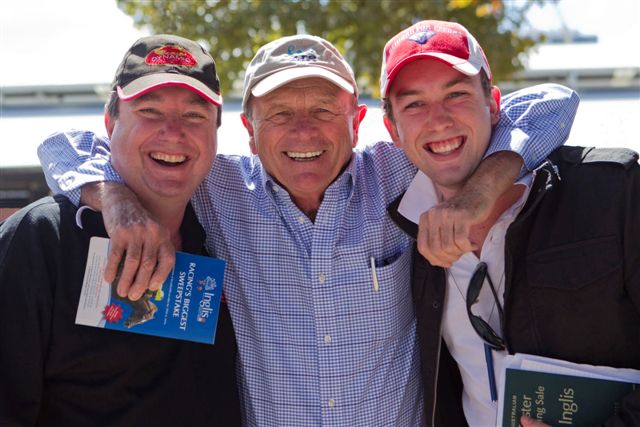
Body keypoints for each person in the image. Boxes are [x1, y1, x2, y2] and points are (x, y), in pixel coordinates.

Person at [37, 34, 578, 425]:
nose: (303, 131)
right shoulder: (217, 187)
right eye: (278, 114)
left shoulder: (399, 172)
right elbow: (65, 146)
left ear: (356, 122)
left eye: (323, 109)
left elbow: (551, 103)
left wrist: (480, 194)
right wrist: (116, 201)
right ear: (249, 131)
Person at [383, 20, 640, 426]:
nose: (439, 120)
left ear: (494, 104)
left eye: (456, 94)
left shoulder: (614, 191)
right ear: (392, 130)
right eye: (414, 104)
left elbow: (554, 97)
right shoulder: (396, 228)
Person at [0, 35, 241, 426]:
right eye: (149, 111)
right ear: (110, 123)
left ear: (216, 130)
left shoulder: (229, 228)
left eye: (195, 116)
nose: (173, 132)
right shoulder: (44, 238)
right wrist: (111, 196)